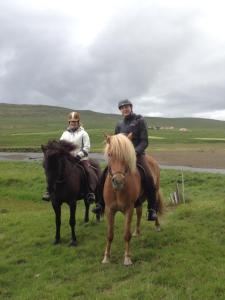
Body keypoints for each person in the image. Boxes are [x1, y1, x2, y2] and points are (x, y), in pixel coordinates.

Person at [92, 99, 157, 221]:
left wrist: (133, 152)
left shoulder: (140, 121)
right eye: (122, 108)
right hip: (121, 157)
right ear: (120, 111)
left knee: (148, 177)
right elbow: (116, 141)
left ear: (131, 107)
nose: (125, 109)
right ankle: (100, 204)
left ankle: (152, 209)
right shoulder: (119, 124)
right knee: (104, 175)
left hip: (137, 155)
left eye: (126, 107)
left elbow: (144, 141)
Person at [42, 111, 96, 203]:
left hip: (80, 159)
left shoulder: (84, 134)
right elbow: (60, 147)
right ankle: (49, 191)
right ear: (69, 122)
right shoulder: (64, 134)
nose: (73, 123)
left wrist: (79, 156)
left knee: (87, 171)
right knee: (53, 171)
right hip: (67, 160)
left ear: (78, 122)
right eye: (71, 122)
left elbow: (87, 147)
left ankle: (90, 193)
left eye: (75, 122)